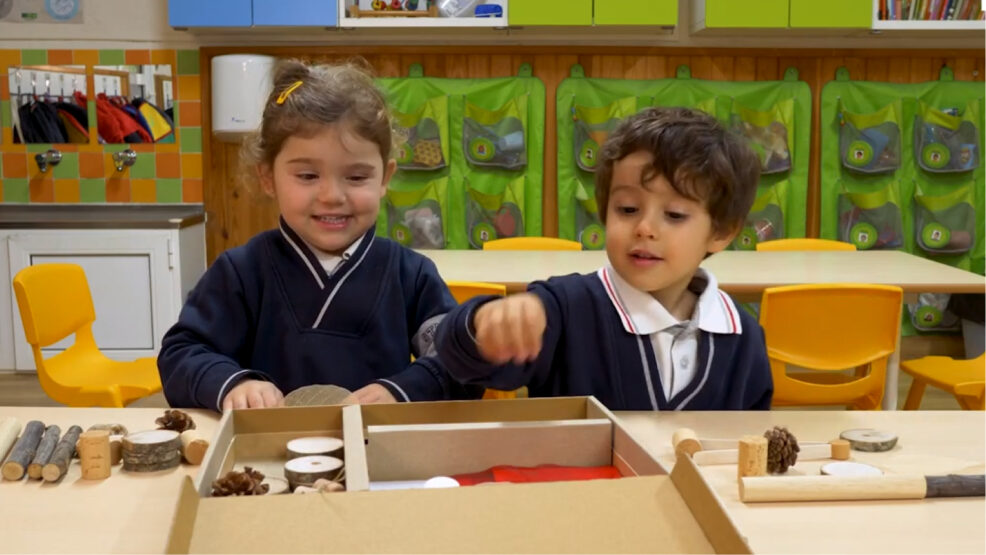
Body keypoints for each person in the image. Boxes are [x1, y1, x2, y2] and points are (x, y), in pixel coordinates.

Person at [159, 59, 475, 412]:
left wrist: (400, 390)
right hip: (267, 458)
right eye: (307, 176)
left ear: (384, 178)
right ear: (268, 177)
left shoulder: (410, 274)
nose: (332, 196)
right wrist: (233, 384)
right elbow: (182, 354)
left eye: (356, 177)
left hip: (381, 456)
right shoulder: (242, 271)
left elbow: (460, 360)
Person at [436, 107, 773, 410]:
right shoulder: (562, 307)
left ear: (721, 232)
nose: (644, 228)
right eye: (627, 209)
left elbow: (748, 440)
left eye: (674, 214)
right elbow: (464, 360)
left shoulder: (743, 334)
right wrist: (484, 323)